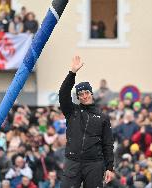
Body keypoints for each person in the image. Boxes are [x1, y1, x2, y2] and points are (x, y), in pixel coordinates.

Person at [59, 55, 114, 187]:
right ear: (78, 97)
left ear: (91, 93)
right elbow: (63, 94)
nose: (84, 96)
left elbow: (108, 144)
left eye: (86, 93)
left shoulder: (103, 117)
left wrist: (110, 167)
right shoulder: (72, 111)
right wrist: (72, 73)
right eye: (81, 94)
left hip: (94, 164)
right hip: (73, 161)